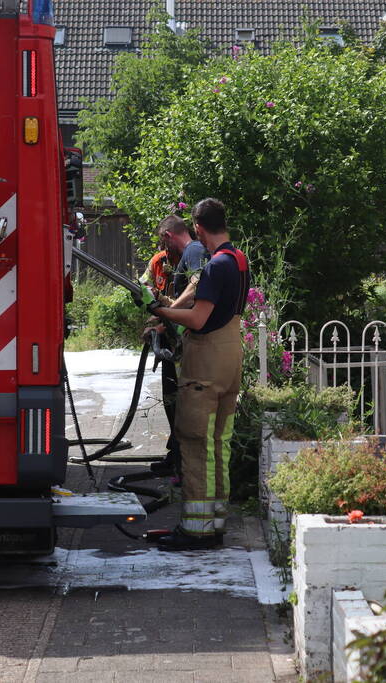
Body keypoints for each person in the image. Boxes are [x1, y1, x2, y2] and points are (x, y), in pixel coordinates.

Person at [149, 198, 250, 551]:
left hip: (206, 362)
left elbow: (198, 319)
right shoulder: (238, 260)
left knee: (195, 442)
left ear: (199, 227)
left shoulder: (215, 266)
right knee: (219, 443)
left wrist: (161, 309)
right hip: (230, 356)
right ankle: (215, 522)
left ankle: (197, 531)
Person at [149, 215, 208, 479]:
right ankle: (177, 459)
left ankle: (185, 467)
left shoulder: (194, 250)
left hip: (187, 345)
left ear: (169, 235)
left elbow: (196, 287)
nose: (163, 247)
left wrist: (169, 311)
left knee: (182, 405)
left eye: (164, 240)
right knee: (173, 402)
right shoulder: (176, 258)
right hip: (177, 344)